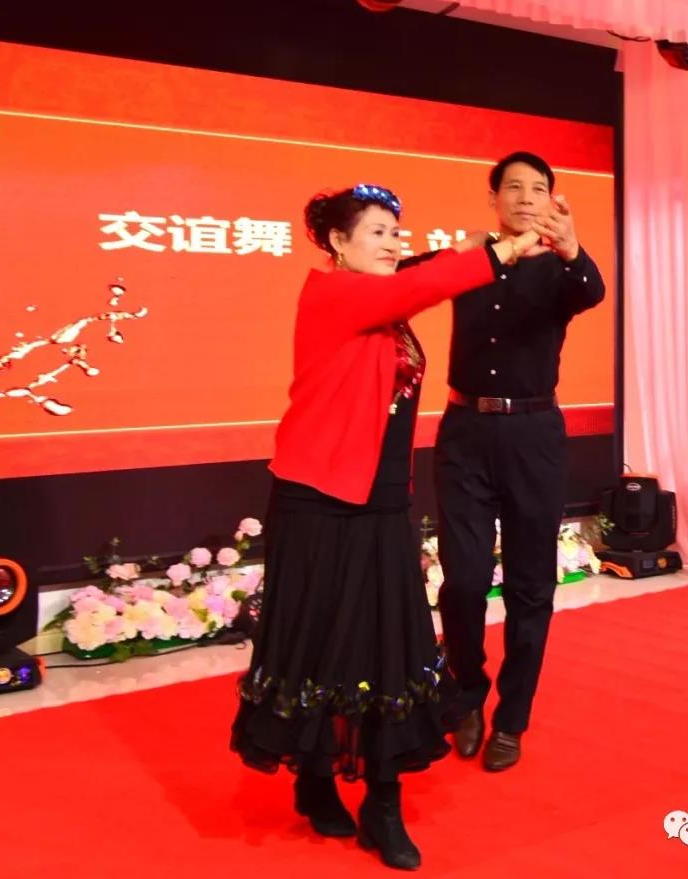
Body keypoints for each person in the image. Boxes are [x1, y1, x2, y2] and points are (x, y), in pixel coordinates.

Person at [230, 183, 540, 870]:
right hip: (319, 499)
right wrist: (505, 248)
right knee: (319, 645)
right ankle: (317, 781)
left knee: (387, 649)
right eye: (376, 232)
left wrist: (481, 246)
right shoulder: (334, 293)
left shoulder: (379, 295)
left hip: (381, 502)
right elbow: (425, 282)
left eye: (396, 232)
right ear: (338, 243)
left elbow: (422, 270)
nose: (393, 243)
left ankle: (382, 799)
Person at [434, 151, 606, 772]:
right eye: (513, 187)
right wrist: (460, 254)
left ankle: (512, 718)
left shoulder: (563, 270)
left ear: (552, 201)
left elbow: (592, 290)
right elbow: (408, 279)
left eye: (538, 189)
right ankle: (466, 695)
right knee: (462, 580)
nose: (526, 198)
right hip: (465, 434)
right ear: (494, 198)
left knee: (531, 585)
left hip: (534, 436)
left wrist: (573, 249)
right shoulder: (468, 259)